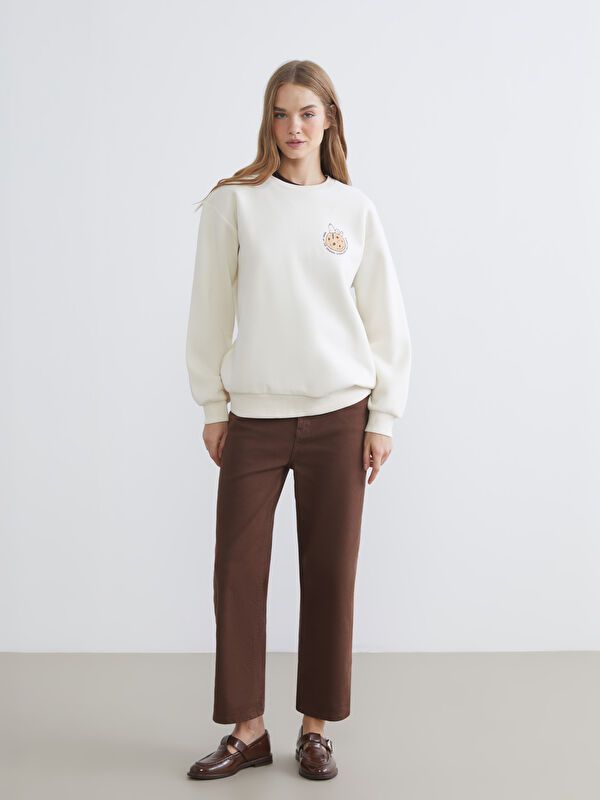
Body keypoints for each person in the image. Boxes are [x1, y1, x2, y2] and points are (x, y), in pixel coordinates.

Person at [185, 59, 412, 781]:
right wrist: (213, 406)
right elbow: (209, 312)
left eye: (307, 113)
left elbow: (385, 321)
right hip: (254, 417)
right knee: (237, 571)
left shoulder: (355, 210)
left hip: (341, 416)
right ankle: (247, 731)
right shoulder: (234, 204)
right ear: (268, 120)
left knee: (330, 573)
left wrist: (383, 417)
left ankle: (316, 729)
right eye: (281, 113)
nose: (293, 127)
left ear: (329, 119)